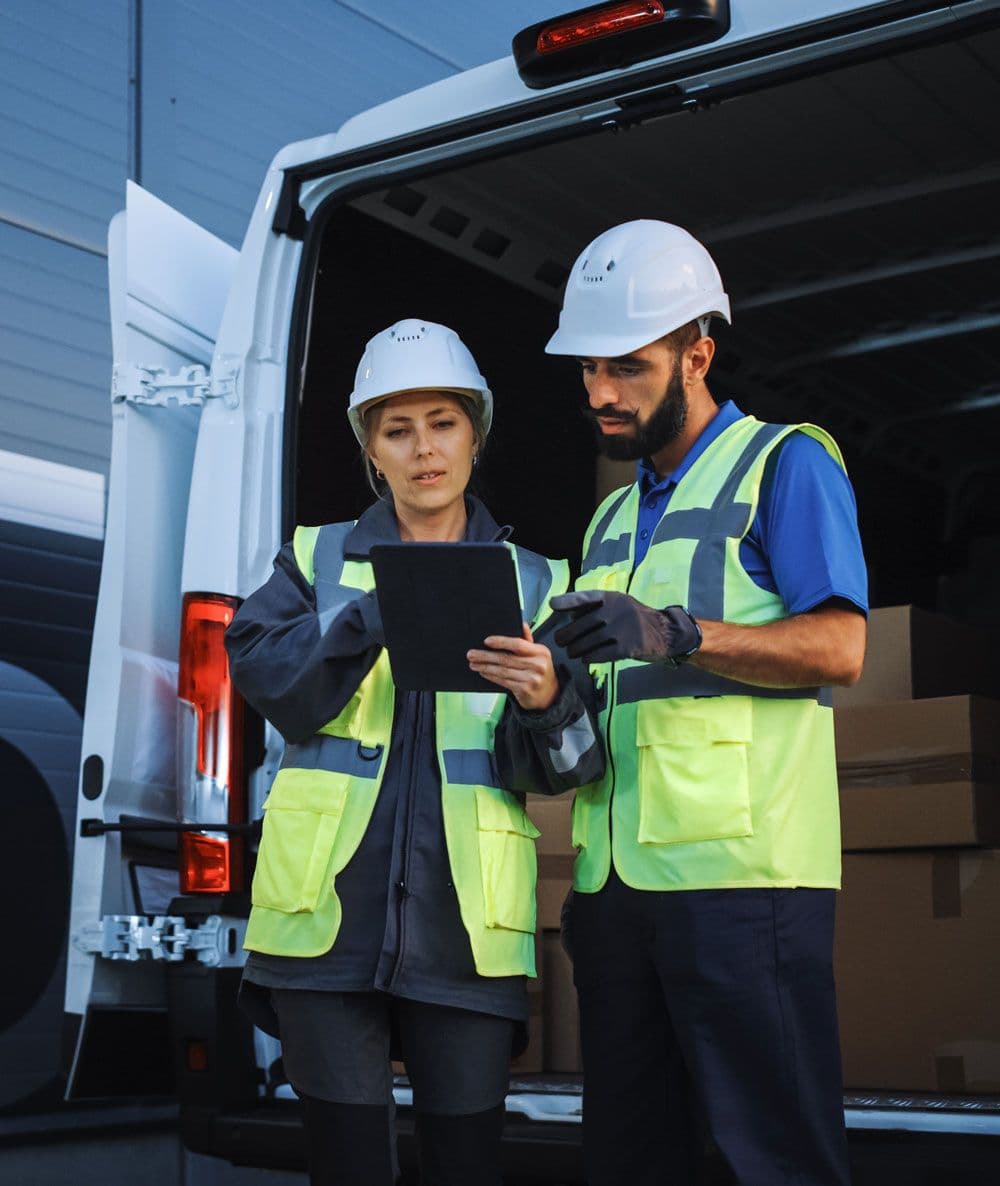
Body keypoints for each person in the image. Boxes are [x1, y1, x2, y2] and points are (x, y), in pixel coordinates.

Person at [224, 318, 602, 1186]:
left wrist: (548, 701)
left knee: (465, 1171)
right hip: (323, 927)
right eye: (398, 429)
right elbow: (264, 675)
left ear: (477, 433)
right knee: (349, 1171)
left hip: (466, 934)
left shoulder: (539, 580)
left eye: (443, 422)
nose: (424, 450)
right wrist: (366, 615)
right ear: (371, 448)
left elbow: (577, 767)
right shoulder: (316, 559)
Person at [539, 221, 868, 1185]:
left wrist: (682, 632)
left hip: (743, 889)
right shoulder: (607, 515)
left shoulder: (786, 464)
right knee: (631, 1162)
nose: (601, 392)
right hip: (610, 891)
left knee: (766, 1160)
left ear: (698, 355)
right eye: (588, 369)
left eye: (628, 368)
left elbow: (842, 649)